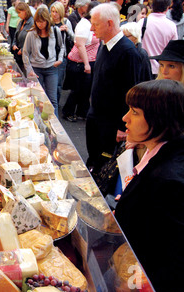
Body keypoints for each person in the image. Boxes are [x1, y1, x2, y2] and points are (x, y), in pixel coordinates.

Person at [115, 79, 184, 292]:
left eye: (135, 112)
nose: (125, 118)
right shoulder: (169, 147)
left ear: (160, 120)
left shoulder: (169, 183)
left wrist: (136, 287)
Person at [87, 3, 142, 172]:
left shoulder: (128, 53)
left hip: (110, 125)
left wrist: (122, 127)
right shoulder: (104, 45)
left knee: (104, 167)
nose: (91, 28)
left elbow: (131, 93)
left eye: (95, 24)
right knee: (94, 160)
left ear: (109, 23)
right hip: (96, 118)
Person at [22, 7, 65, 117]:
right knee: (37, 99)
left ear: (47, 20)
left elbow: (62, 46)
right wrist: (29, 70)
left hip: (51, 69)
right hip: (36, 70)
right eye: (38, 22)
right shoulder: (31, 34)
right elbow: (25, 52)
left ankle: (54, 127)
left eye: (42, 22)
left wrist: (60, 59)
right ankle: (39, 125)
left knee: (52, 100)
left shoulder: (55, 31)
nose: (40, 24)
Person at [61, 1, 99, 122]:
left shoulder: (91, 23)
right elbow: (81, 46)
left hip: (89, 61)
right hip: (80, 62)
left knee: (85, 89)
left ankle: (82, 112)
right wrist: (86, 64)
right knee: (77, 90)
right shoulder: (84, 25)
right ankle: (68, 112)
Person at [138, 0, 178, 78]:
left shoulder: (142, 22)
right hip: (162, 69)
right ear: (167, 8)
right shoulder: (172, 26)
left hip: (143, 67)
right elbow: (174, 49)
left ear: (152, 7)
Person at [50, 1, 75, 105]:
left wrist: (68, 30)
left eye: (56, 12)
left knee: (58, 84)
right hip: (49, 56)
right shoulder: (49, 22)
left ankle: (55, 102)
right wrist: (55, 30)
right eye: (52, 11)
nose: (54, 14)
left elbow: (74, 38)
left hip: (61, 57)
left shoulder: (66, 21)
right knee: (49, 82)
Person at [11, 2, 34, 77]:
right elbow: (15, 35)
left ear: (25, 11)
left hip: (28, 58)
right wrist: (14, 44)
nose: (18, 15)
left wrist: (24, 49)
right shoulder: (21, 22)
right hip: (19, 57)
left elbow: (33, 41)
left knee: (27, 78)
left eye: (19, 12)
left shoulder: (32, 23)